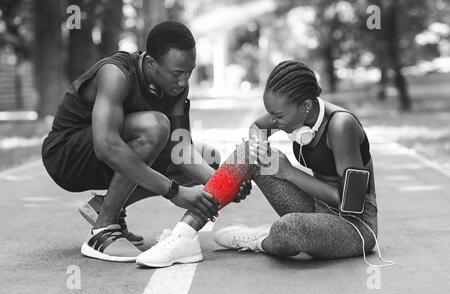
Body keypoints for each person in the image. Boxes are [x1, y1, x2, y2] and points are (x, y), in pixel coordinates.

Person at [41, 21, 250, 263]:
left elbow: (180, 149)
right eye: (177, 73)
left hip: (112, 153)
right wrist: (174, 191)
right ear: (151, 62)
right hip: (68, 157)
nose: (184, 82)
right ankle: (103, 230)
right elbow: (106, 146)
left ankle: (104, 206)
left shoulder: (176, 87)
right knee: (156, 126)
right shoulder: (115, 75)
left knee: (210, 157)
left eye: (189, 72)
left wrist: (222, 184)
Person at [213, 61, 379, 261]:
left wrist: (289, 172)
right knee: (247, 151)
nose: (273, 121)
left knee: (289, 228)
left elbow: (351, 203)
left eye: (278, 116)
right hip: (317, 207)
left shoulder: (341, 126)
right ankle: (187, 229)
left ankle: (261, 240)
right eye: (271, 114)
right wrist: (259, 148)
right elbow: (257, 126)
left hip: (354, 226)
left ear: (306, 106)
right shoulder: (294, 113)